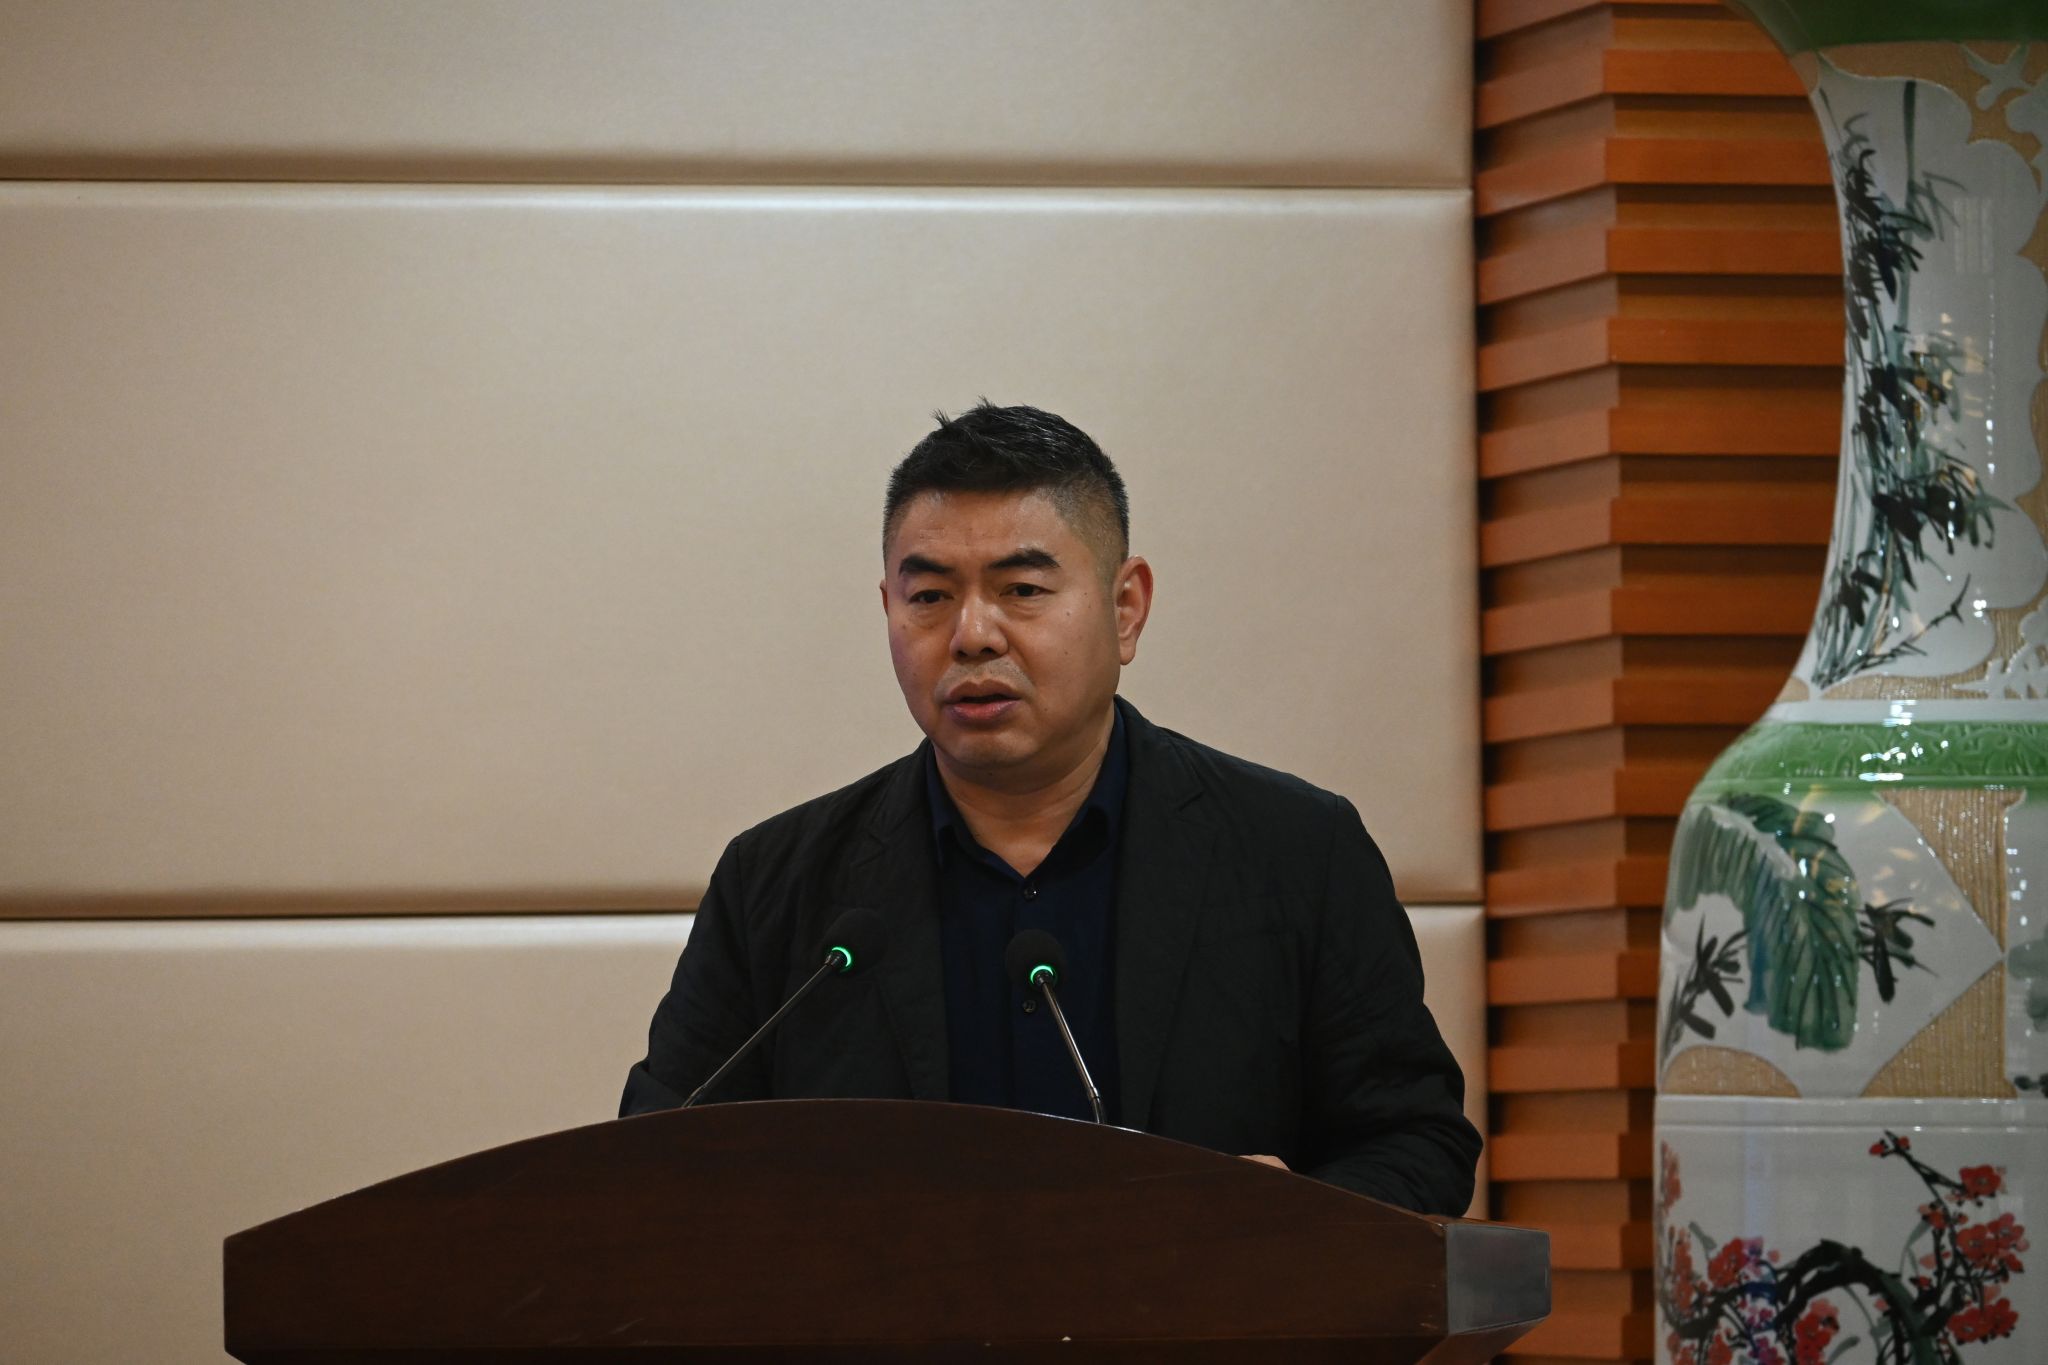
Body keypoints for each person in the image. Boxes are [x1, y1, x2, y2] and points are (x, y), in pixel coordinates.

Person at [621, 402, 1480, 1215]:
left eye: (1023, 589)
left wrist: (1289, 1220)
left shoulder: (1296, 853)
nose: (973, 634)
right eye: (929, 596)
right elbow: (654, 1158)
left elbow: (1417, 1140)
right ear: (888, 609)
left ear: (1125, 607)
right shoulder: (776, 884)